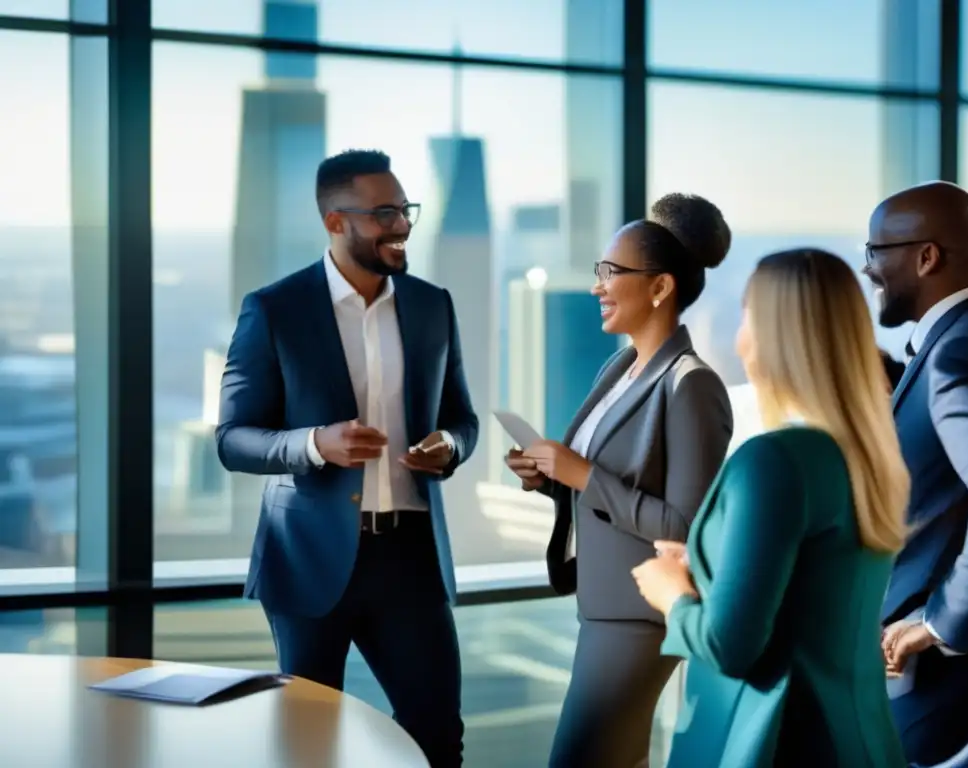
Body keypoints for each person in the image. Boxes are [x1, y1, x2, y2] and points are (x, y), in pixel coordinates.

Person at [216, 149, 478, 767]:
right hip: (308, 558)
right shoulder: (275, 309)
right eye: (384, 213)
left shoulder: (431, 304)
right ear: (336, 222)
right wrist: (314, 444)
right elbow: (232, 438)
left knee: (437, 738)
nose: (403, 225)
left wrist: (450, 447)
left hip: (410, 559)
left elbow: (462, 418)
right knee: (308, 745)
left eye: (406, 209)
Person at [632, 248, 909, 767]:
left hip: (773, 741)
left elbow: (730, 646)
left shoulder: (775, 460)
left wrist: (671, 593)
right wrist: (713, 570)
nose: (739, 337)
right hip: (858, 739)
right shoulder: (867, 458)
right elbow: (816, 588)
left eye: (747, 315)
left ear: (777, 335)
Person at [506, 193, 734, 768]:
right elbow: (601, 483)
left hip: (641, 615)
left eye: (612, 272)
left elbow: (685, 526)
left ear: (660, 288)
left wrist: (581, 473)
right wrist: (549, 477)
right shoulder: (621, 367)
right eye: (598, 271)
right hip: (603, 607)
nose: (597, 286)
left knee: (579, 758)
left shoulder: (691, 386)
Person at [865, 181, 968, 765]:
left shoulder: (963, 347)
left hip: (945, 673)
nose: (869, 269)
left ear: (926, 256)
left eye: (875, 252)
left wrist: (943, 622)